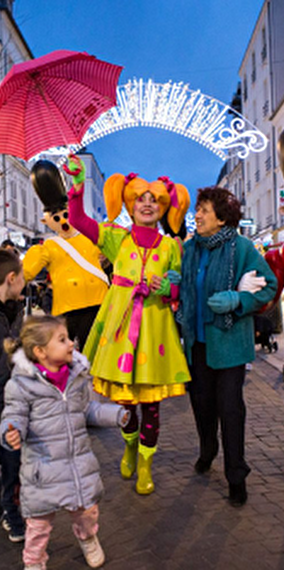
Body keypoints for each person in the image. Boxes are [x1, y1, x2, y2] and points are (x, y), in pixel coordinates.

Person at [66, 155, 191, 495]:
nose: (147, 204)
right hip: (121, 332)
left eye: (154, 200)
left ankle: (146, 465)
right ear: (130, 205)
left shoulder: (170, 246)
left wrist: (169, 288)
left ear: (163, 208)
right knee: (126, 403)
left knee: (152, 403)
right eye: (141, 199)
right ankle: (130, 446)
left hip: (155, 334)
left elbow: (179, 285)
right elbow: (77, 219)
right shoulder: (114, 238)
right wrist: (76, 186)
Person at [0, 315, 130, 570]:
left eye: (68, 338)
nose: (71, 343)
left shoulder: (77, 377)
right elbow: (14, 415)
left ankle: (88, 538)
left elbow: (87, 409)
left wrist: (115, 414)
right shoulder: (21, 385)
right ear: (40, 351)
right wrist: (10, 431)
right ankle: (34, 560)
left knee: (87, 513)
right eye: (62, 339)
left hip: (77, 466)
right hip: (42, 469)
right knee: (38, 525)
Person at [180, 186, 278, 506]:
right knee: (202, 405)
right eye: (197, 210)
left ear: (222, 218)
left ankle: (236, 475)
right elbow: (185, 285)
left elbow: (270, 286)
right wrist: (172, 283)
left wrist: (239, 299)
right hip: (197, 344)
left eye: (205, 211)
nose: (197, 215)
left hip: (230, 345)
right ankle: (208, 449)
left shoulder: (242, 247)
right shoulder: (190, 248)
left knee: (230, 410)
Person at [23, 160, 109, 350]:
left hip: (97, 303)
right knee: (64, 353)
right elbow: (28, 270)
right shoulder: (49, 246)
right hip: (67, 309)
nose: (62, 220)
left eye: (65, 214)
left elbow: (112, 251)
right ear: (46, 221)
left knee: (95, 351)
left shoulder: (91, 237)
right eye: (56, 217)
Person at [0, 248, 25, 542]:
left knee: (11, 459)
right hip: (5, 397)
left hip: (10, 397)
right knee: (10, 460)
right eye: (21, 278)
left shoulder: (14, 309)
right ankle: (11, 513)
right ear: (11, 278)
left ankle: (9, 509)